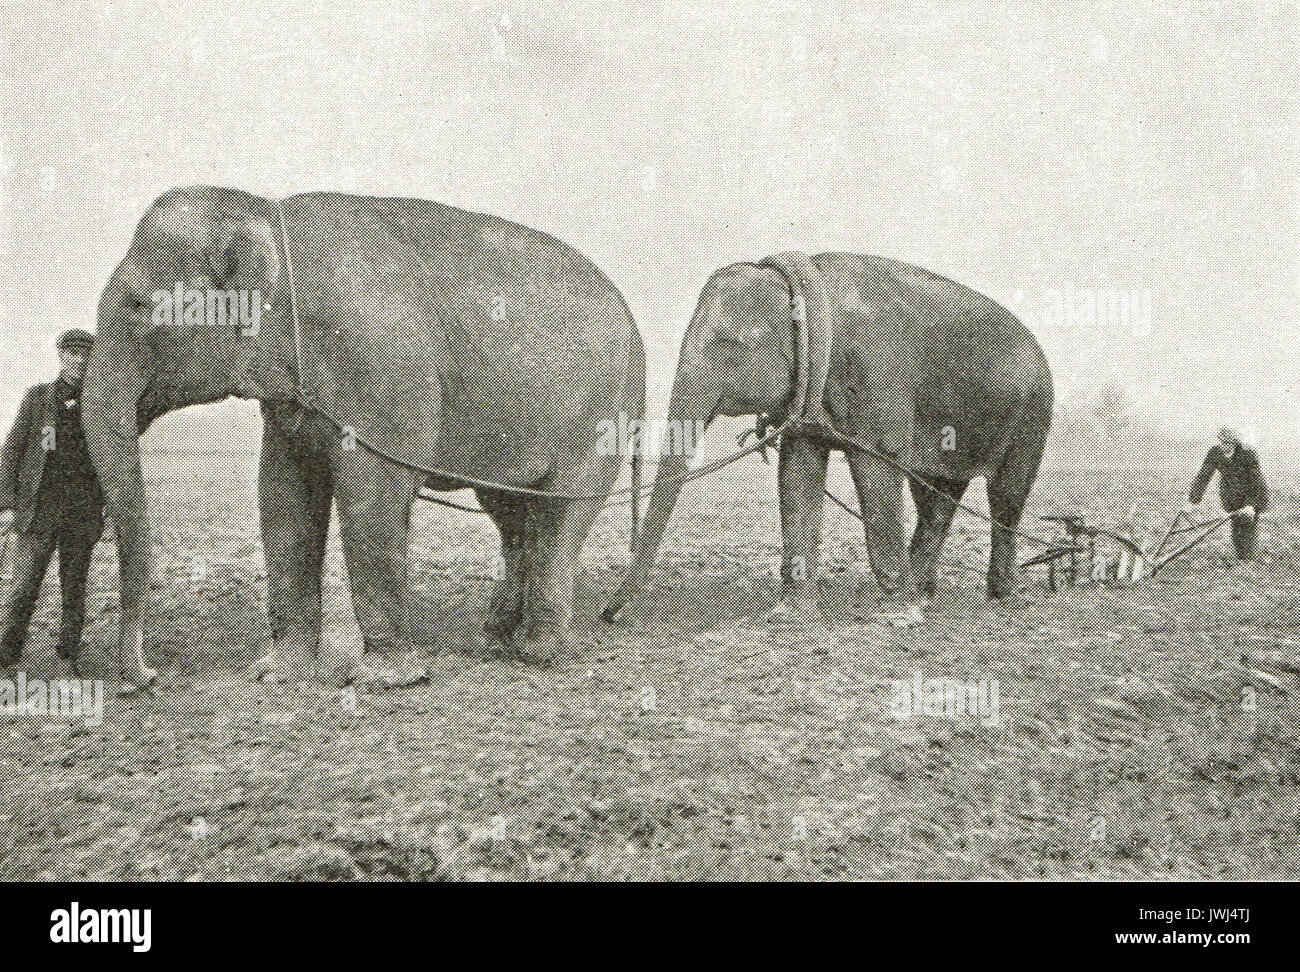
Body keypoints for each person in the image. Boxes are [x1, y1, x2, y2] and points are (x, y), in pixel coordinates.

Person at [0, 329, 104, 666]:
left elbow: (112, 460)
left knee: (74, 589)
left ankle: (66, 656)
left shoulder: (100, 403)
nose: (79, 360)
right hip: (39, 510)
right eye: (73, 353)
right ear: (61, 355)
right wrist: (5, 504)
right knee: (23, 587)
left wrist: (108, 509)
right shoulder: (37, 398)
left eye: (86, 354)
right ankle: (6, 654)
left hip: (82, 511)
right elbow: (11, 452)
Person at [1184, 427, 1269, 561]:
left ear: (1235, 443)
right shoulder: (1215, 453)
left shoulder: (1247, 454)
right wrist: (1192, 501)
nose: (1224, 446)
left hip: (1250, 493)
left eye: (1228, 443)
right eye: (1222, 443)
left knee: (1247, 526)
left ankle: (1248, 561)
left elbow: (1257, 482)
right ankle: (1241, 558)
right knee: (1236, 527)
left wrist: (1252, 506)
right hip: (1230, 495)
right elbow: (1203, 477)